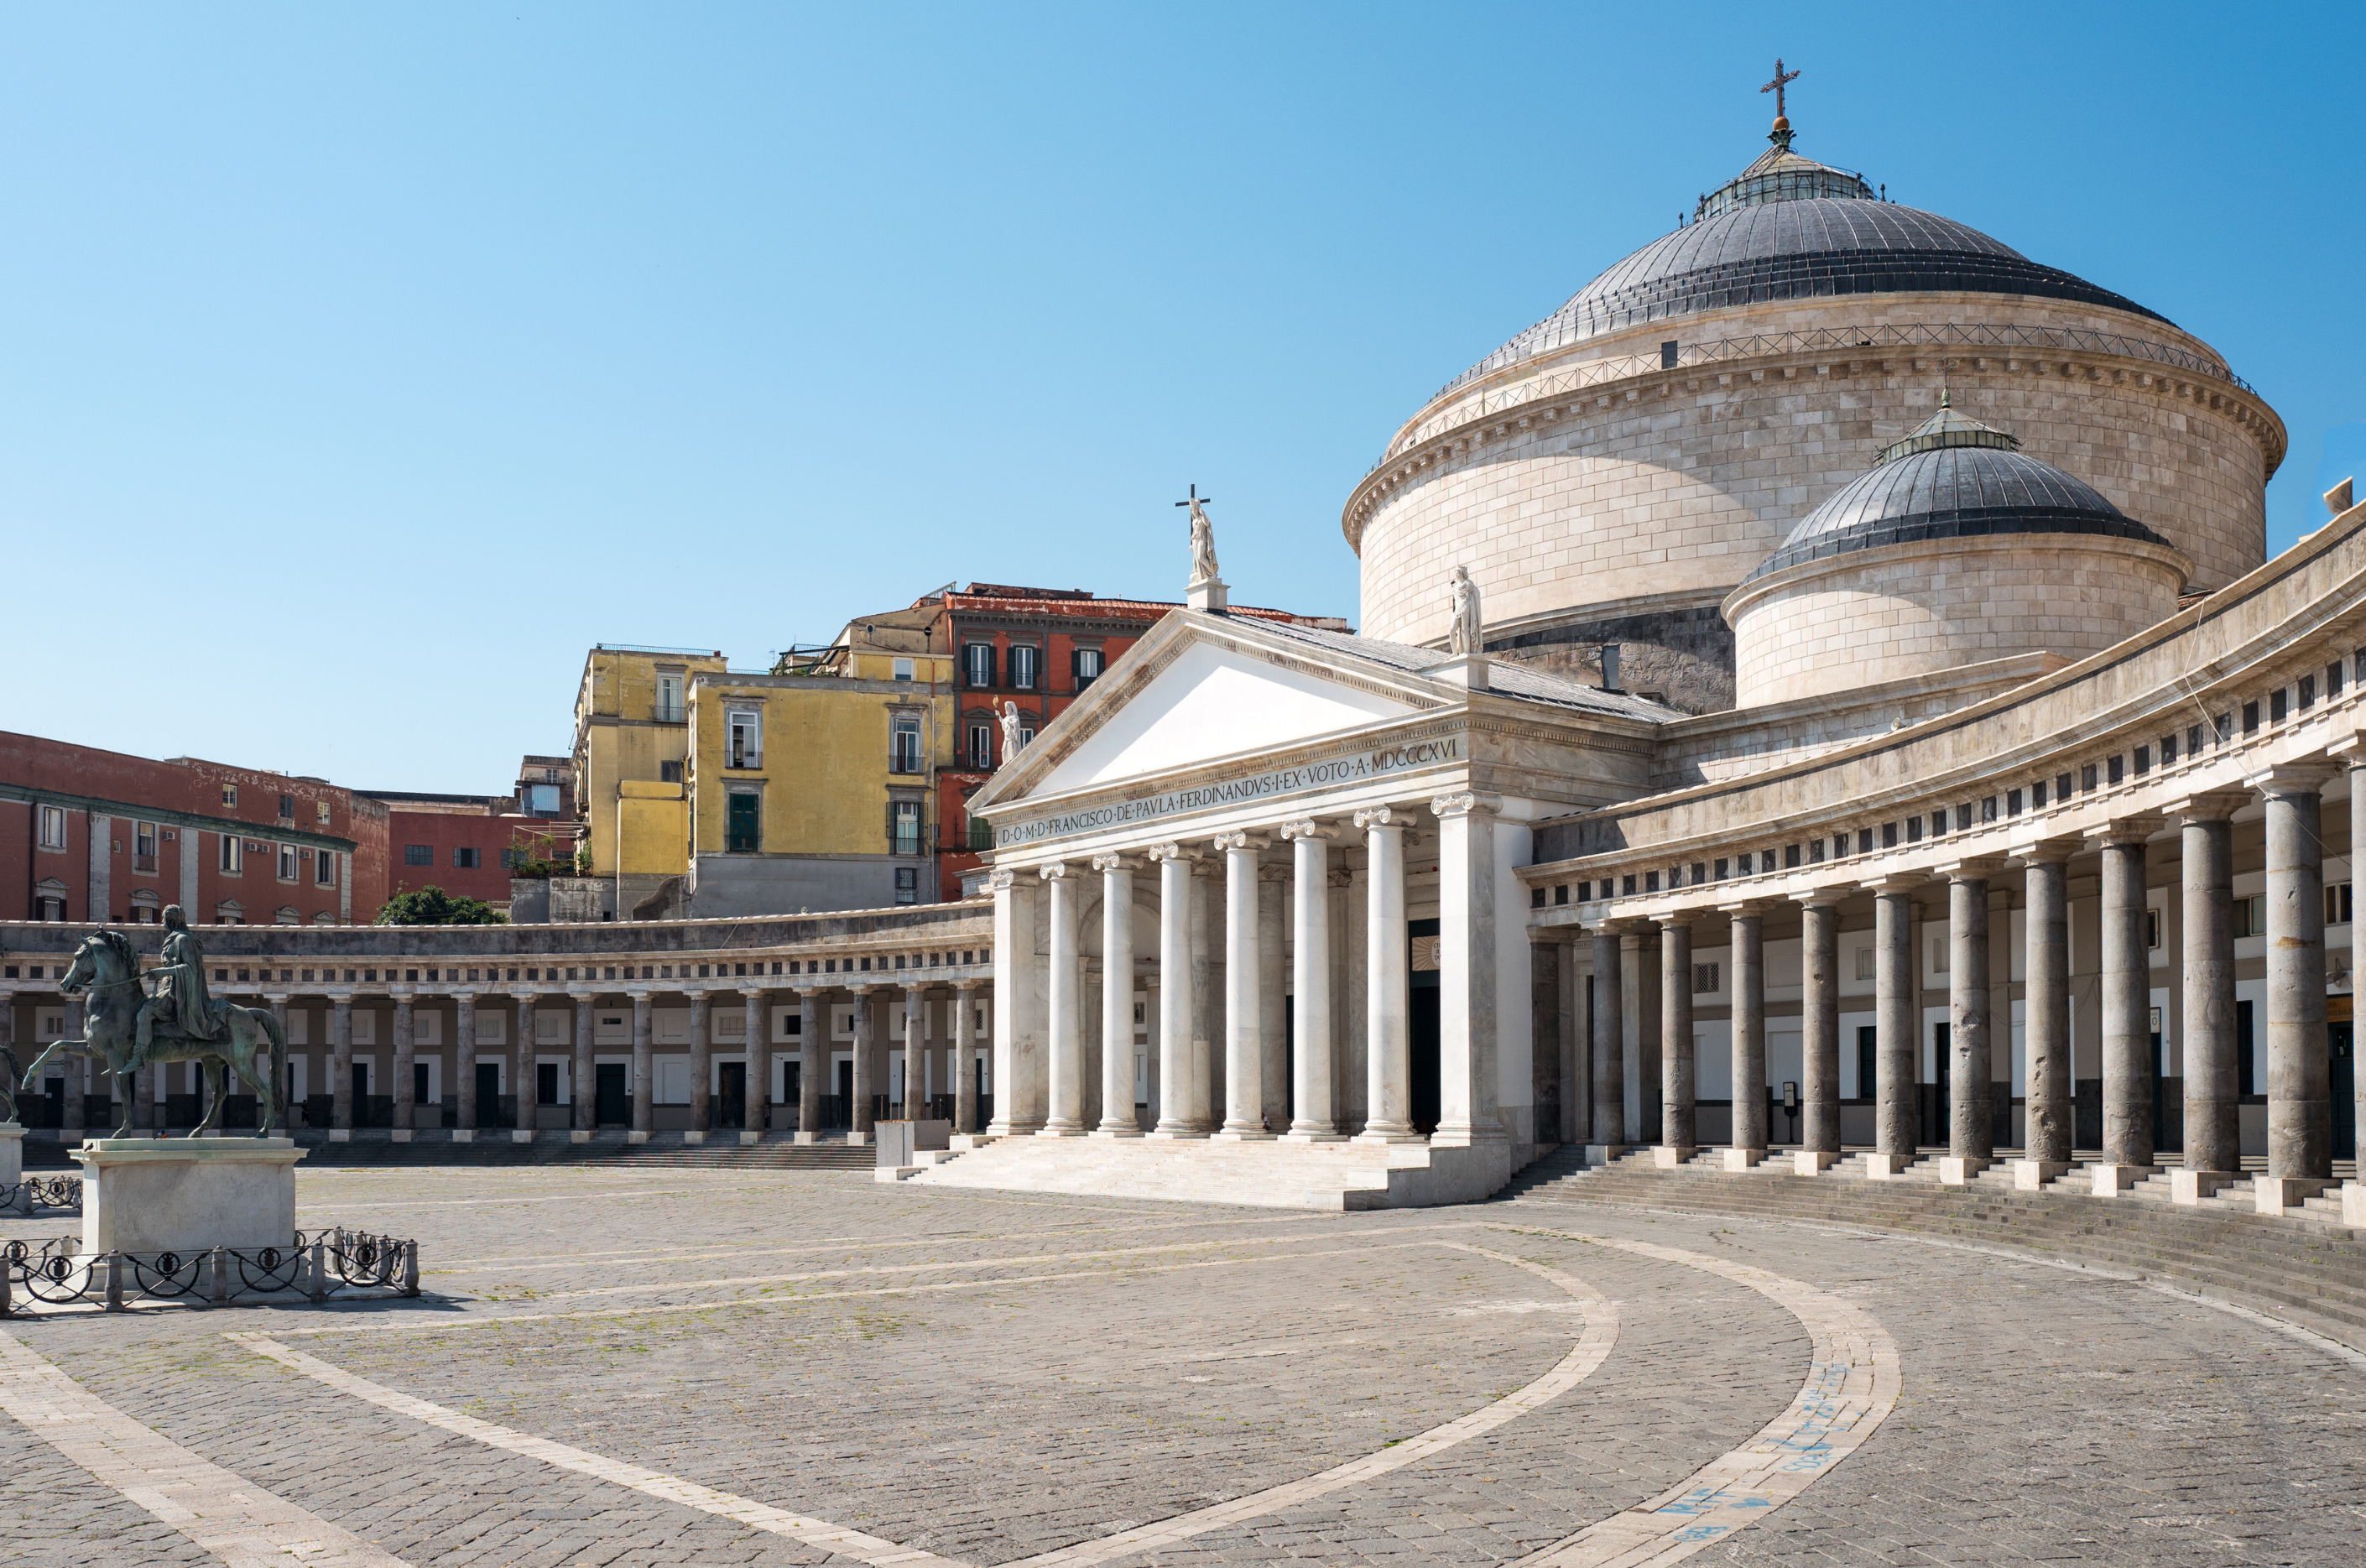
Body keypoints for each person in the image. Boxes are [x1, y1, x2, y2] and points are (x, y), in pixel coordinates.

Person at [137, 904, 224, 1060]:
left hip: (178, 991)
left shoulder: (184, 939)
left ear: (171, 920)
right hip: (169, 987)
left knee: (144, 1014)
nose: (162, 921)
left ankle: (138, 1057)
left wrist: (164, 971)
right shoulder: (174, 939)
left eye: (164, 918)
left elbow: (191, 968)